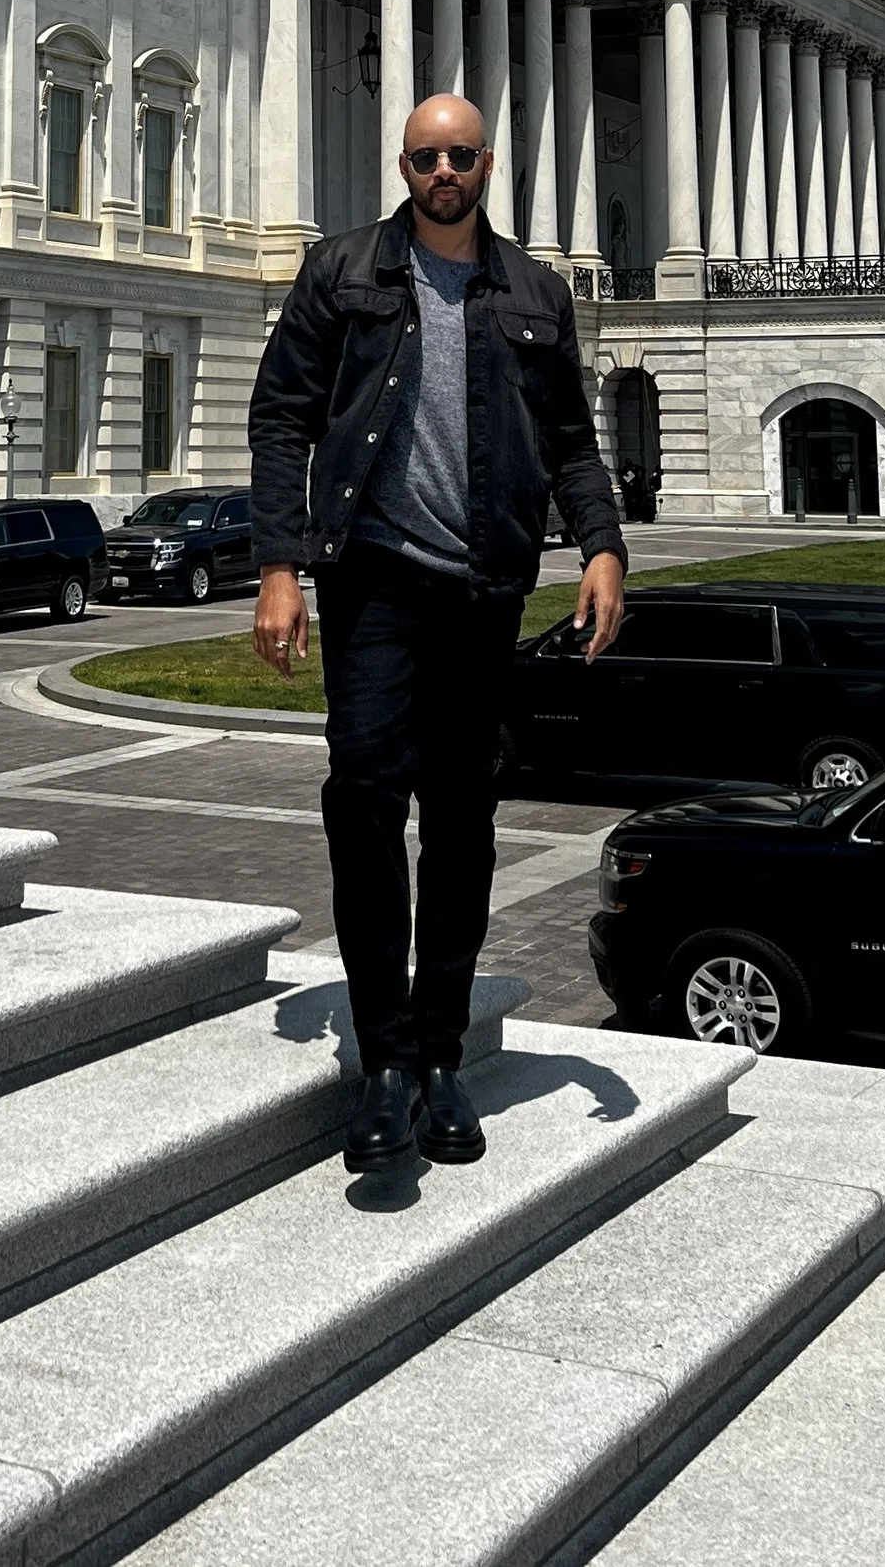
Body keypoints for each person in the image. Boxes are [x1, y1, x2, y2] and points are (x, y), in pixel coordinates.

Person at [248, 90, 626, 1174]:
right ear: (403, 165)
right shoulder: (341, 270)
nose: (444, 170)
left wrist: (603, 545)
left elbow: (569, 437)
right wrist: (279, 566)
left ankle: (439, 1056)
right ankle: (380, 1057)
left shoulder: (534, 290)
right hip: (372, 580)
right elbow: (280, 415)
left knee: (462, 819)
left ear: (488, 163)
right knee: (363, 794)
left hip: (485, 587)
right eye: (426, 156)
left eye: (460, 154)